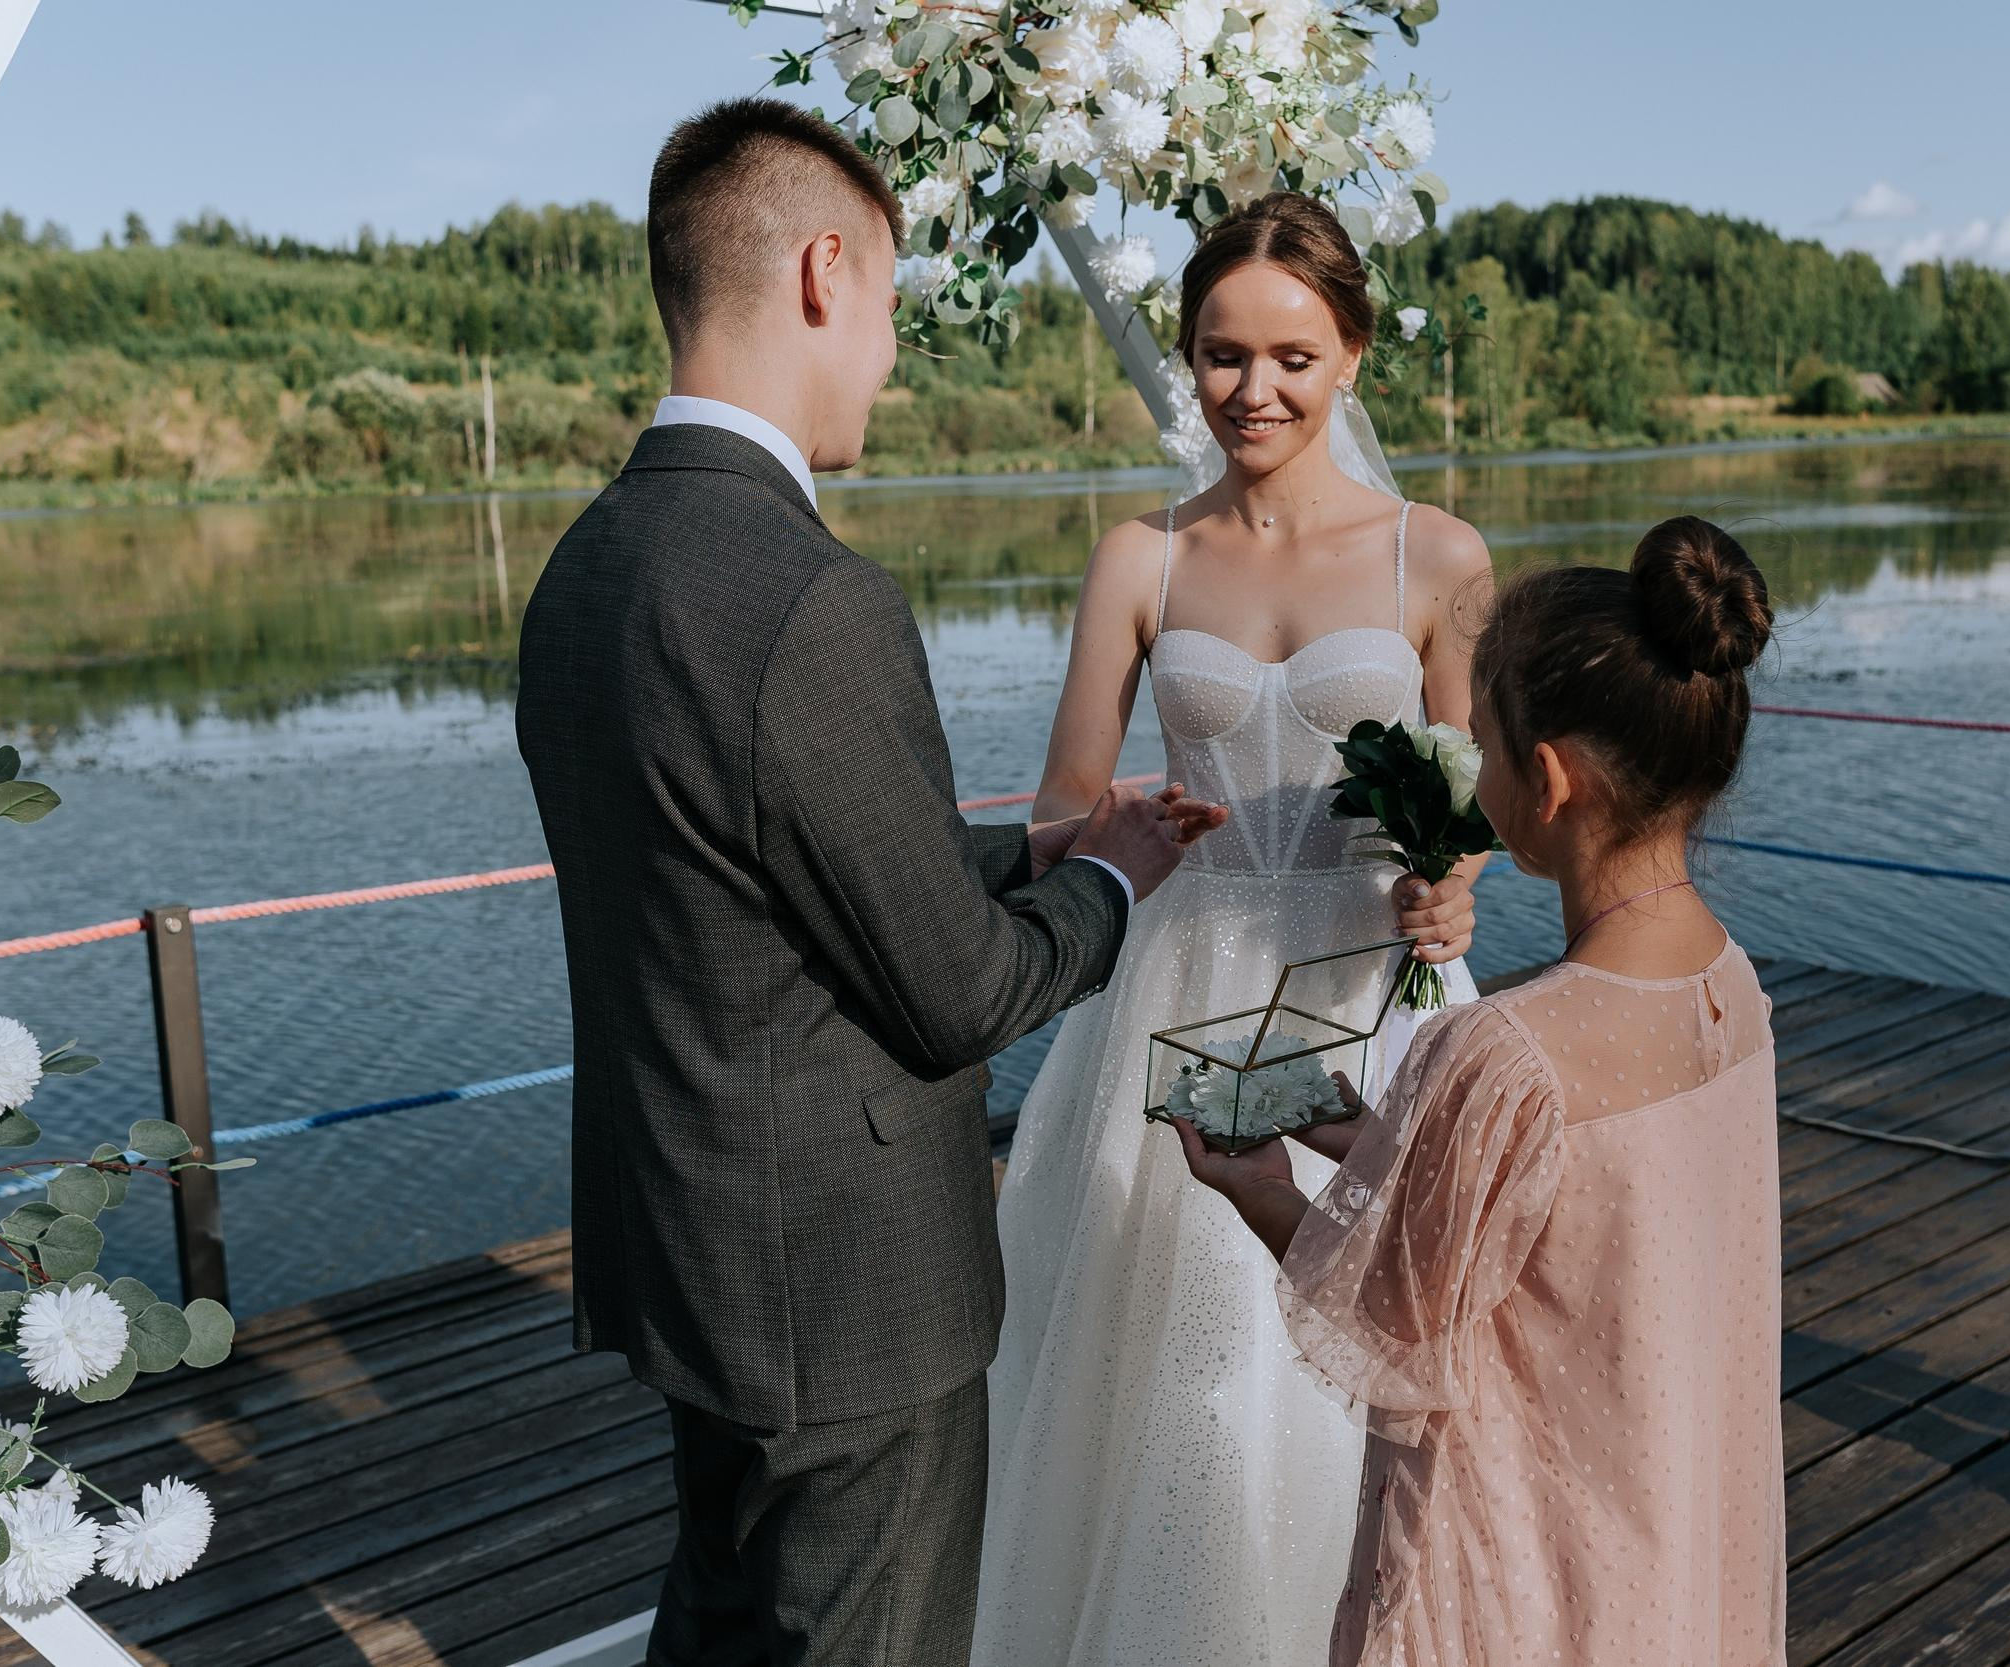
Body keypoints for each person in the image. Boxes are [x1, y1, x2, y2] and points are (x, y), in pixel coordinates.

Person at [514, 98, 1224, 1666]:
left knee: (711, 1627)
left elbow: (733, 871)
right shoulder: (811, 597)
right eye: (895, 306)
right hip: (844, 1300)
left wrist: (1010, 851)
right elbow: (961, 989)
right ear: (825, 273)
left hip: (686, 1251)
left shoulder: (585, 569)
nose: (892, 358)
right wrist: (1105, 878)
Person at [971, 192, 1493, 1665]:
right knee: (1170, 1358)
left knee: (1350, 1350)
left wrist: (1454, 882)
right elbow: (1068, 803)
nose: (1251, 390)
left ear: (1353, 355)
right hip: (1177, 994)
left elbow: (1477, 797)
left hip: (1370, 991)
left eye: (1290, 355)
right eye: (1218, 355)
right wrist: (1123, 826)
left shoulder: (1438, 558)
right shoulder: (1139, 555)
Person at [1174, 518, 1788, 1666]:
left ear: (1545, 780)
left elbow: (1385, 1331)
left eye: (1483, 743)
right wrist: (1380, 1135)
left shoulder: (1502, 1049)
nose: (1474, 766)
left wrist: (1256, 1186)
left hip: (1522, 1564)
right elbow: (1560, 1217)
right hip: (1667, 1537)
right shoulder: (1733, 986)